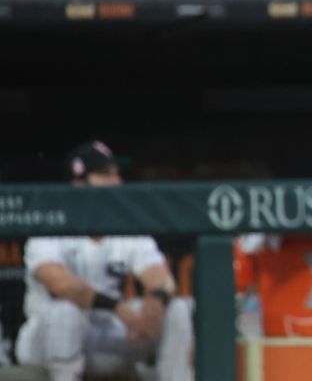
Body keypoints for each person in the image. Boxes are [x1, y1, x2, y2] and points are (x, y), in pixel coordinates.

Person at [14, 141, 194, 381]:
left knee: (177, 309)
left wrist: (156, 300)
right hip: (45, 342)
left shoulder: (123, 227)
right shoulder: (50, 227)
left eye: (116, 174)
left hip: (107, 335)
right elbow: (63, 285)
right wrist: (117, 307)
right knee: (66, 313)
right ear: (79, 183)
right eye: (105, 175)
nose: (116, 182)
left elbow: (160, 275)